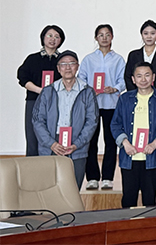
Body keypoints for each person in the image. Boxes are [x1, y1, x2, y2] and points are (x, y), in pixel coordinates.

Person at [111, 62, 156, 208]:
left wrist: (155, 143)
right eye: (139, 76)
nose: (143, 79)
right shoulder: (125, 98)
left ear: (153, 77)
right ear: (133, 79)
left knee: (150, 200)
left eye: (147, 75)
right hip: (129, 156)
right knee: (128, 200)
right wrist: (125, 143)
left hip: (152, 156)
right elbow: (115, 124)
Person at [31, 50, 99, 188]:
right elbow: (37, 120)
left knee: (73, 189)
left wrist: (77, 144)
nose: (68, 67)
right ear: (58, 68)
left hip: (76, 146)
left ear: (77, 66)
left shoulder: (87, 91)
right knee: (49, 189)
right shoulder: (48, 91)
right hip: (51, 145)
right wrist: (51, 144)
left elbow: (92, 121)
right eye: (63, 64)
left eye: (72, 63)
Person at [78, 24, 126, 190]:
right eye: (101, 35)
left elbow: (123, 79)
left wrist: (115, 88)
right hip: (92, 105)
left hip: (111, 104)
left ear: (112, 37)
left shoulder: (118, 59)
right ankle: (92, 177)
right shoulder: (88, 59)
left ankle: (107, 177)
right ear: (96, 38)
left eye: (107, 35)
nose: (104, 38)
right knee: (91, 141)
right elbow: (81, 79)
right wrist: (90, 90)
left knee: (111, 141)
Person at [18, 25, 65, 156]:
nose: (53, 39)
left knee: (52, 135)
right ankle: (31, 167)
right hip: (34, 101)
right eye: (49, 35)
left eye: (57, 37)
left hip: (56, 103)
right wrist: (39, 90)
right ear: (43, 37)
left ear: (61, 40)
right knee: (32, 137)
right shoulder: (32, 59)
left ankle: (52, 167)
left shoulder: (63, 60)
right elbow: (22, 78)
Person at [124, 20, 156, 92]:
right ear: (141, 35)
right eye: (146, 33)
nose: (149, 36)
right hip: (136, 95)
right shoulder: (133, 55)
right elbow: (128, 76)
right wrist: (135, 93)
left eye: (152, 33)